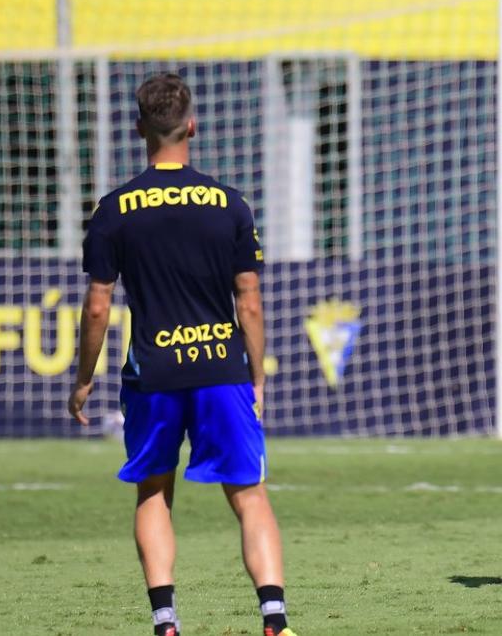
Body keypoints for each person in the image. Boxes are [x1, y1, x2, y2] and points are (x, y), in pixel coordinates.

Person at [68, 73, 295, 636]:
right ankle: (274, 619)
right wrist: (256, 375)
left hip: (154, 372)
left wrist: (82, 379)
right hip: (222, 368)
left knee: (154, 491)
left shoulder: (114, 209)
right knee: (249, 494)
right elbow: (251, 301)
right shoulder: (228, 204)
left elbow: (97, 307)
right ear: (192, 125)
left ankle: (166, 623)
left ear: (139, 128)